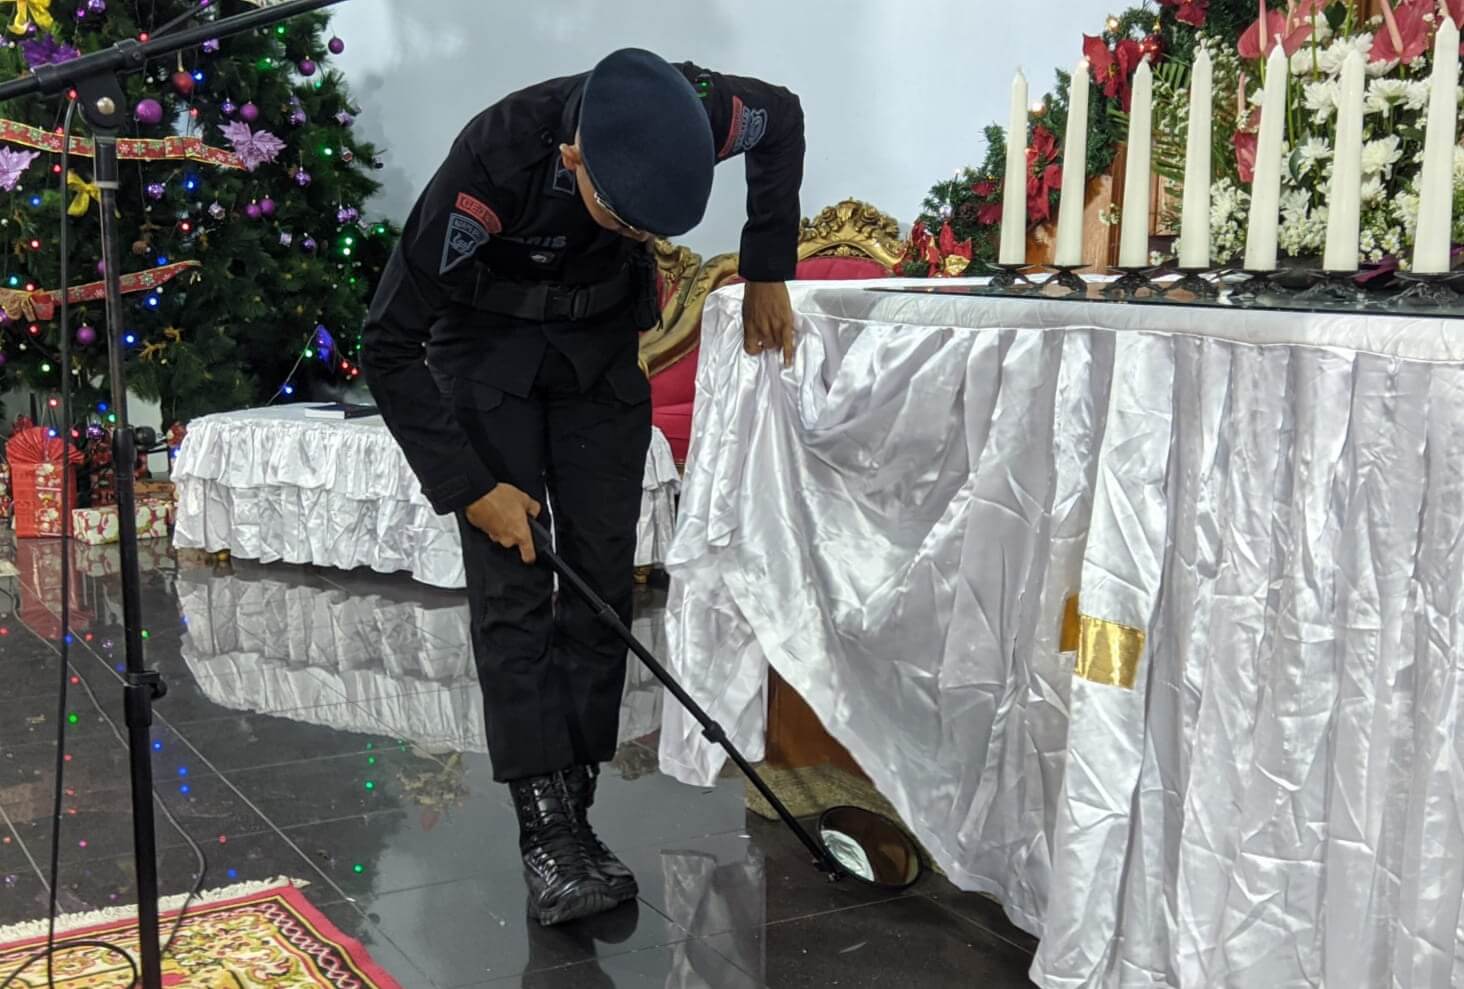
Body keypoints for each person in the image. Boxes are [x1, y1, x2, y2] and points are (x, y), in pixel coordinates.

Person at [362, 49, 805, 926]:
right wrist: (471, 487)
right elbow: (386, 345)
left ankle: (575, 809)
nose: (642, 234)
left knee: (602, 571)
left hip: (600, 346)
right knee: (517, 583)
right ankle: (543, 833)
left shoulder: (696, 109)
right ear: (573, 159)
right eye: (626, 215)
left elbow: (781, 117)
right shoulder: (491, 165)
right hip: (487, 350)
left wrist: (766, 263)